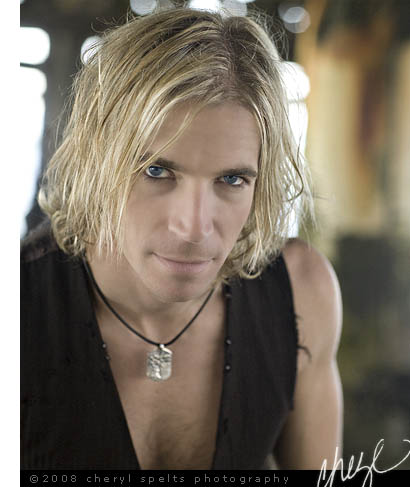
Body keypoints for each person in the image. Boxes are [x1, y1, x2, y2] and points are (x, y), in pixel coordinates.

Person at [21, 6, 343, 470]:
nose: (194, 229)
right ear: (98, 158)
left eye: (231, 180)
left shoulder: (301, 293)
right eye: (157, 171)